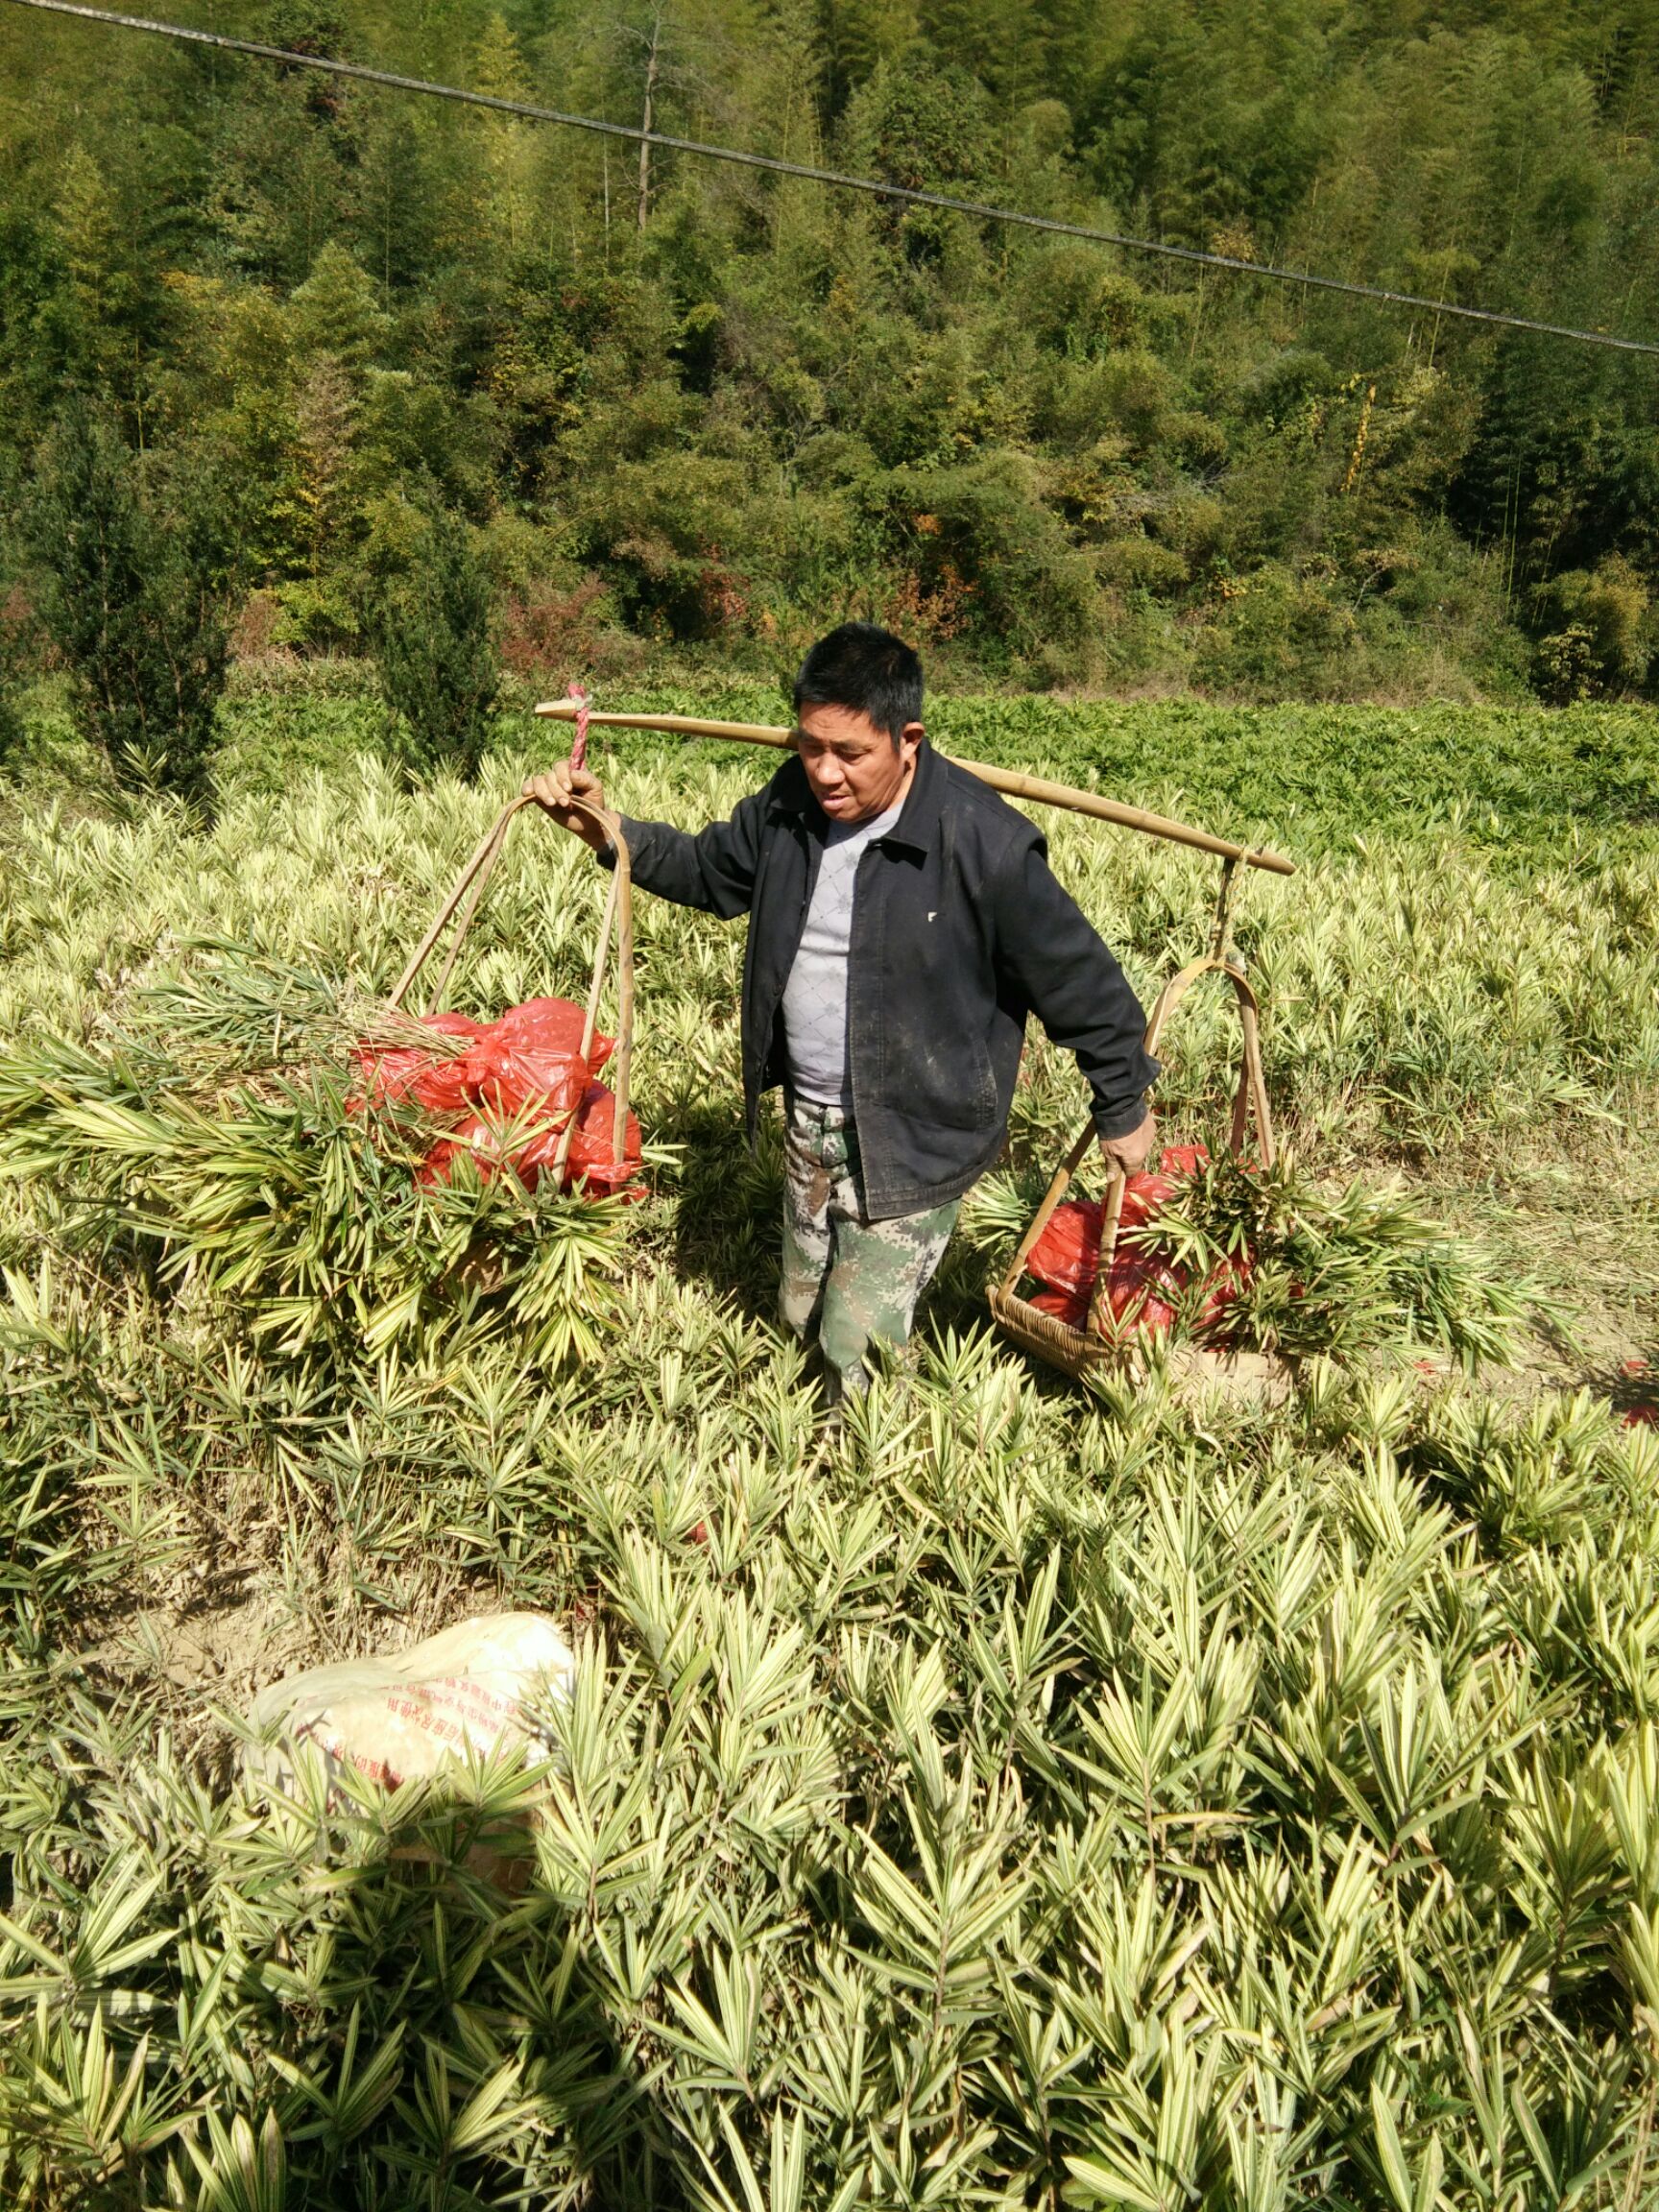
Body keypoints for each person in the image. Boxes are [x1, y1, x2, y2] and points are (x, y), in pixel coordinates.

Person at [525, 623, 1159, 1405]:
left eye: (849, 753)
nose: (825, 771)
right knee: (798, 1301)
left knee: (855, 1342)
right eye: (809, 745)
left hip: (918, 1128)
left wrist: (1122, 1100)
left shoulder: (983, 843)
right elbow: (709, 870)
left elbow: (1081, 982)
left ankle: (853, 1460)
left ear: (908, 739)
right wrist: (610, 831)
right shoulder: (792, 805)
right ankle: (803, 1405)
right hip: (811, 1117)